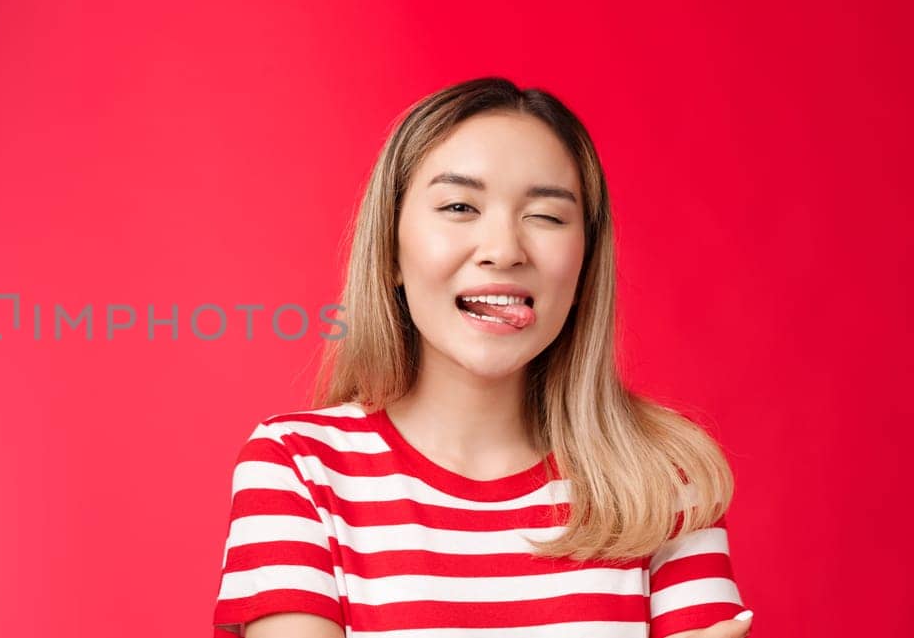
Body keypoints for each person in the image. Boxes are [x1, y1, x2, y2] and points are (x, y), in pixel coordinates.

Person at [210, 77, 754, 638]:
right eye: (459, 206)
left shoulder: (663, 480)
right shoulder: (299, 467)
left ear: (585, 266)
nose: (504, 250)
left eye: (546, 216)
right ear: (391, 250)